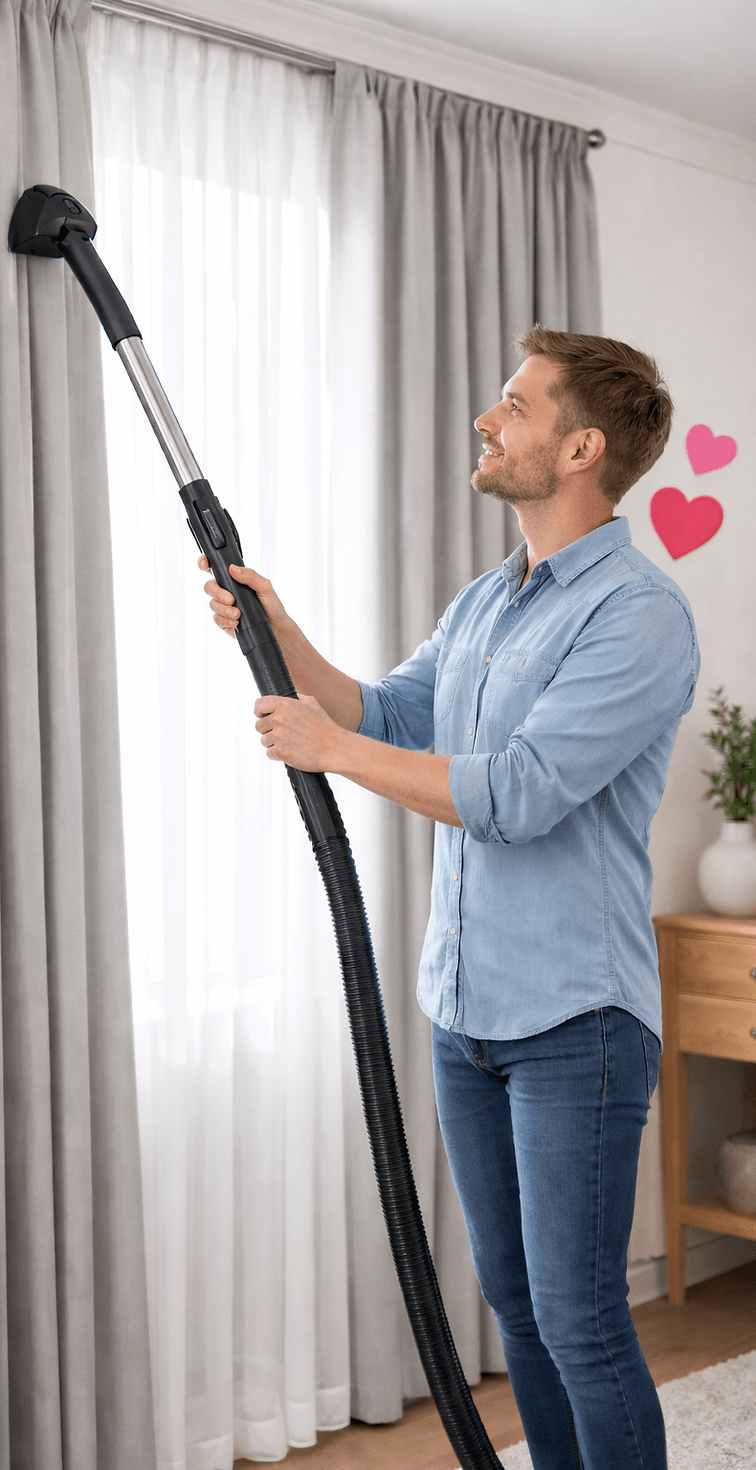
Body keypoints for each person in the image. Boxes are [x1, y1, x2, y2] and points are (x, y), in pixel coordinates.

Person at [200, 326, 698, 1470]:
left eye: (515, 405)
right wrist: (279, 639)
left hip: (575, 1020)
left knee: (579, 1320)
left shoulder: (635, 615)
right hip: (464, 1014)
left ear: (578, 447)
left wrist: (323, 747)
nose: (488, 416)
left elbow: (517, 794)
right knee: (517, 1311)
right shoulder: (488, 600)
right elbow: (389, 715)